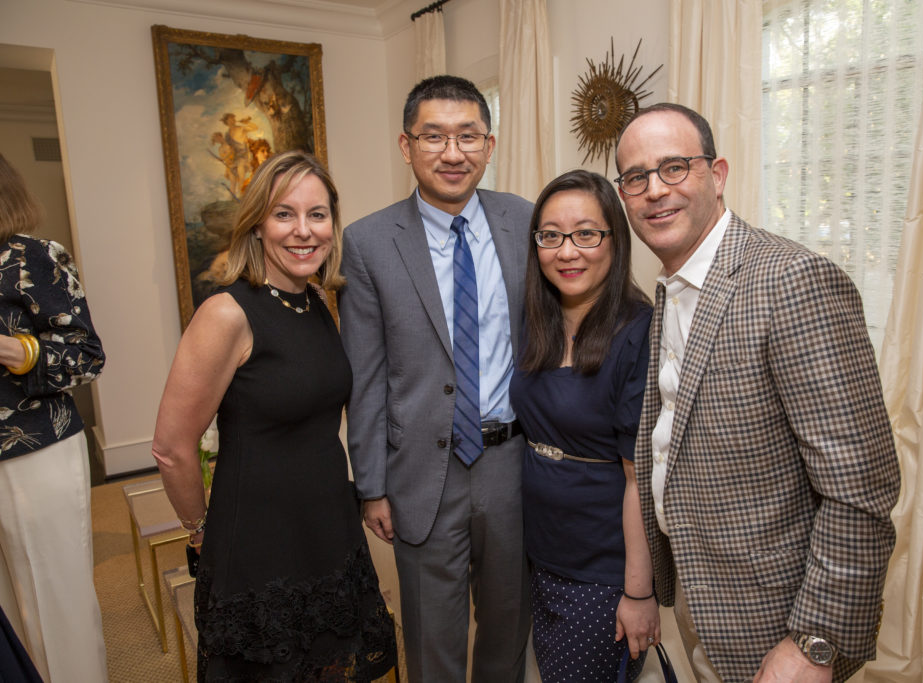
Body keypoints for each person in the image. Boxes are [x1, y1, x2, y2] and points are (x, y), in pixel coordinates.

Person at [614, 103, 901, 683]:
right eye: (635, 177)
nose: (654, 191)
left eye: (674, 168)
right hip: (703, 599)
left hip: (779, 621)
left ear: (716, 176)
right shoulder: (671, 288)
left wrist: (813, 643)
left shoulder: (792, 282)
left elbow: (860, 491)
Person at [152, 150, 396, 681]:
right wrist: (199, 533)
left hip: (328, 531)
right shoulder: (226, 313)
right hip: (259, 545)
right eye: (284, 214)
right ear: (257, 225)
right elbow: (171, 448)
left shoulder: (314, 303)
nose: (303, 231)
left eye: (318, 214)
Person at [339, 75, 531, 682]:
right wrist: (371, 484)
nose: (453, 152)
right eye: (435, 136)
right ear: (406, 145)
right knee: (432, 640)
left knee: (509, 628)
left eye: (468, 135)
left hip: (513, 464)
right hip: (422, 472)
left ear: (490, 144)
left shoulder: (526, 222)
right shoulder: (368, 242)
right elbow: (364, 375)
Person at [509, 170, 656, 682]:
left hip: (602, 572)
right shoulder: (537, 322)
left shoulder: (638, 332)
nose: (566, 251)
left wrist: (638, 593)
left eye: (586, 234)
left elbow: (640, 479)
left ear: (615, 239)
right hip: (541, 557)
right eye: (550, 236)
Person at [0, 153, 107, 683]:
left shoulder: (31, 257)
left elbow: (87, 355)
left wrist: (16, 350)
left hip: (32, 449)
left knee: (52, 601)